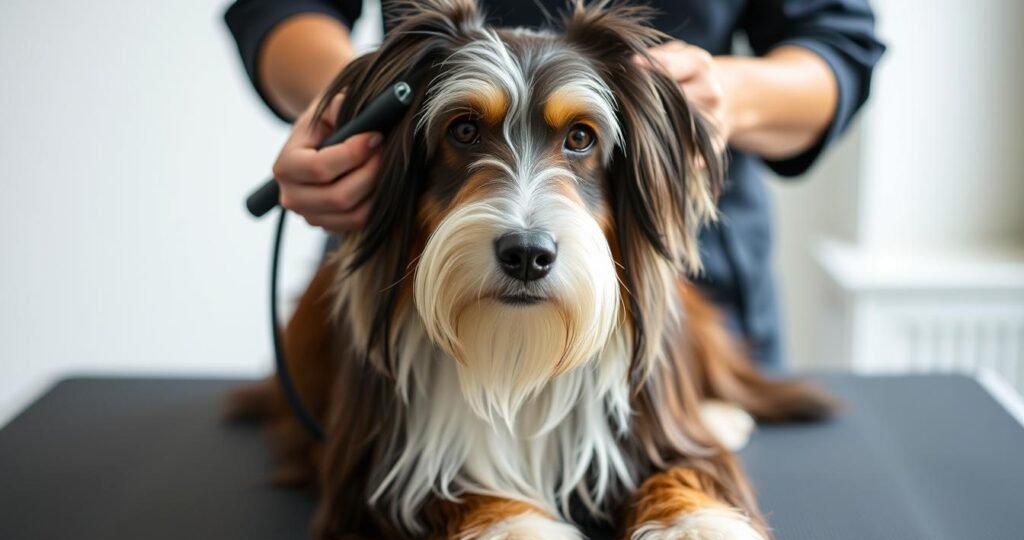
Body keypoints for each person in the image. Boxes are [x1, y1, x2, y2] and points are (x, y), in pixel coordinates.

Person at [225, 0, 884, 369]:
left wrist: (729, 95)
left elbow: (838, 45)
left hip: (676, 309)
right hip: (410, 300)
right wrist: (351, 97)